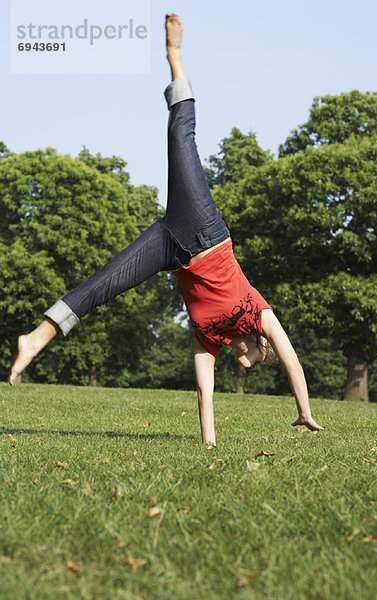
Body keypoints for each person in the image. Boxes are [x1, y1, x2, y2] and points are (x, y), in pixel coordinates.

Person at [9, 14, 323, 443]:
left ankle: (35, 337)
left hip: (170, 251)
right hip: (204, 231)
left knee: (104, 283)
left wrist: (209, 442)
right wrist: (304, 411)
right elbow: (293, 362)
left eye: (245, 363)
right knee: (182, 136)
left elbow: (203, 391)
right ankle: (175, 55)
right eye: (252, 359)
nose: (246, 362)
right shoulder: (259, 313)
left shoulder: (209, 339)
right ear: (258, 344)